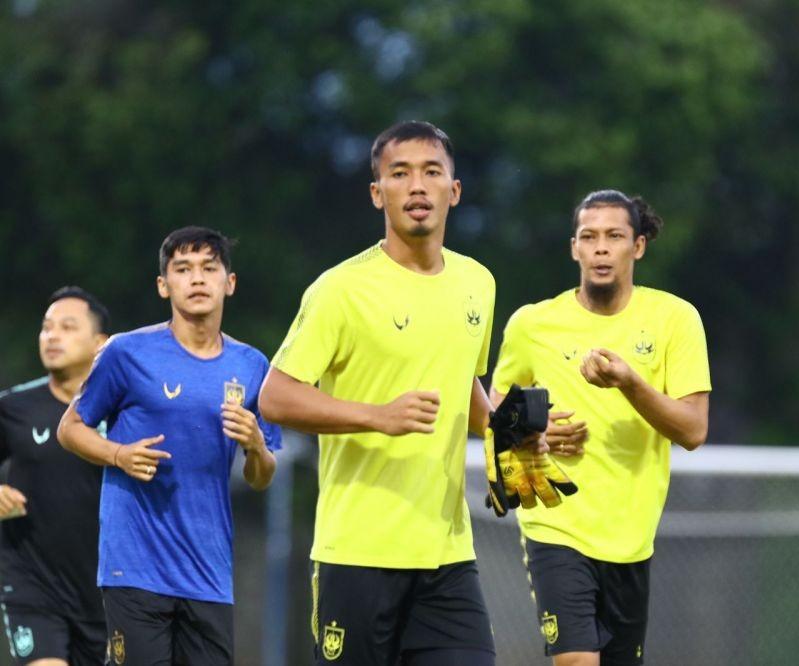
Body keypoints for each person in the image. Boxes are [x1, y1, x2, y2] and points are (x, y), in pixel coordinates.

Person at [260, 120, 510, 666]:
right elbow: (275, 397)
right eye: (400, 174)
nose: (417, 186)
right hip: (357, 553)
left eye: (431, 172)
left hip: (447, 555)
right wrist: (376, 416)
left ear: (455, 190)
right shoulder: (340, 290)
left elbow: (461, 377)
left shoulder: (479, 283)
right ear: (378, 193)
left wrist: (506, 434)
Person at [490, 190, 711, 666]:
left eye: (615, 236)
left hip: (631, 537)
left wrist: (631, 383)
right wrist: (536, 433)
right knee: (576, 660)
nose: (601, 248)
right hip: (555, 525)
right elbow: (494, 417)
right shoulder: (532, 324)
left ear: (638, 247)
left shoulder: (675, 319)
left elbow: (693, 430)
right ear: (574, 248)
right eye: (589, 237)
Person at [57, 227, 281, 666]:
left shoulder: (252, 366)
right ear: (164, 285)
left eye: (209, 268)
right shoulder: (126, 353)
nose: (197, 279)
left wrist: (256, 445)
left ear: (228, 283)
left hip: (208, 573)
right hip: (134, 569)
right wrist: (119, 455)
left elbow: (262, 476)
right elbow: (71, 427)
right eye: (183, 269)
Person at [0, 287, 110, 666]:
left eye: (67, 327)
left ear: (101, 343)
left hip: (106, 591)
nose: (52, 336)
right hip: (32, 585)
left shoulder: (127, 413)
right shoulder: (13, 408)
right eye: (46, 328)